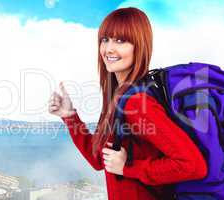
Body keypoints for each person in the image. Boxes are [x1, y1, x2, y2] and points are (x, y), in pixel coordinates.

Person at [48, 7, 207, 200]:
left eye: (121, 41)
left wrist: (129, 167)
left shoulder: (136, 103)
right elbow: (99, 160)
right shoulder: (119, 96)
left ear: (139, 46)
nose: (109, 49)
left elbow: (192, 165)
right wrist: (70, 116)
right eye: (105, 39)